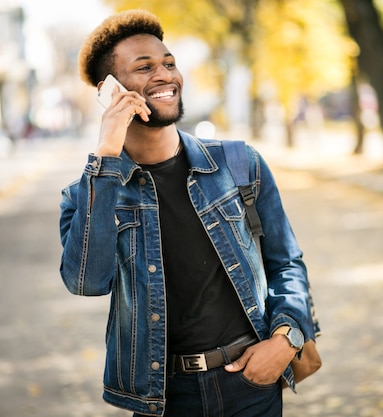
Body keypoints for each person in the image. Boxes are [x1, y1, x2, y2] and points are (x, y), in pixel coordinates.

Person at [59, 9, 317, 417]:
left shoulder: (239, 164)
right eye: (144, 67)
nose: (165, 75)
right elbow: (87, 281)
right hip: (162, 397)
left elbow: (287, 263)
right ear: (109, 91)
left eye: (169, 63)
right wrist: (106, 155)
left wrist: (284, 342)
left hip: (251, 383)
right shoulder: (87, 194)